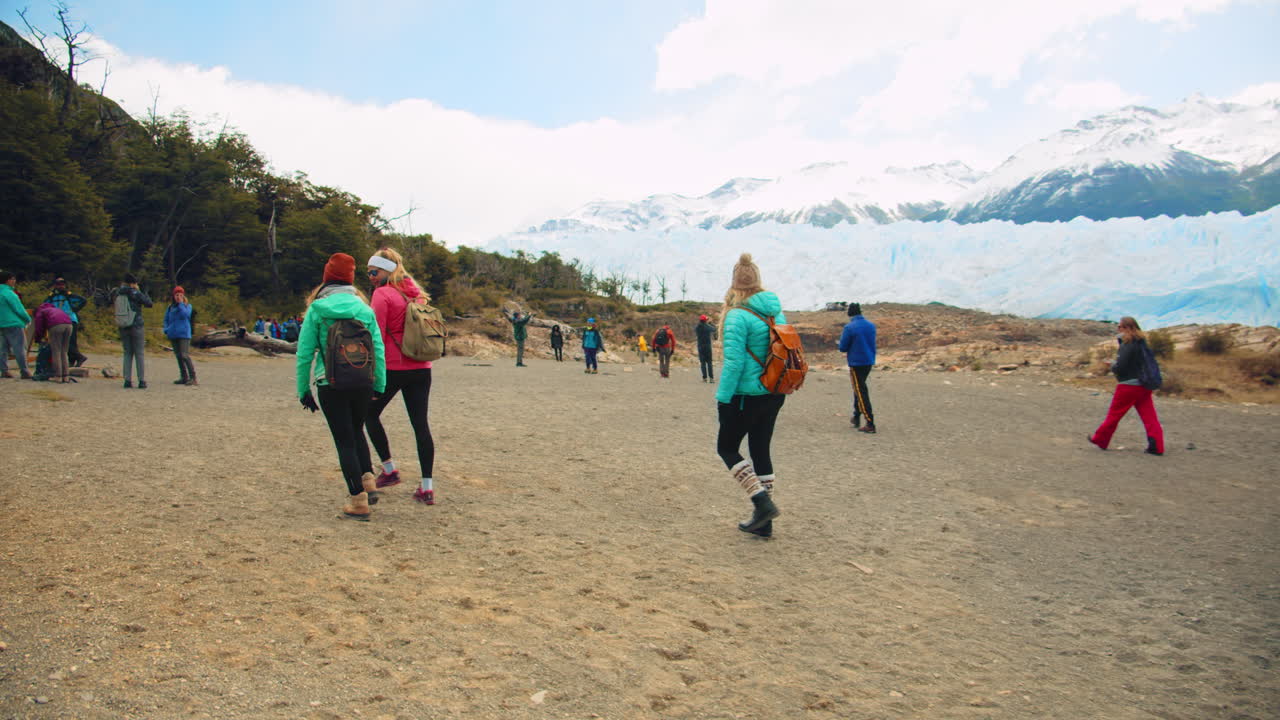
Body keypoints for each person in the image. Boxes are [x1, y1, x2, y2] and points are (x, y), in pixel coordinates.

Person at [296, 253, 387, 520]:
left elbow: (305, 354)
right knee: (357, 431)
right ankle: (368, 482)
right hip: (362, 382)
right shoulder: (365, 309)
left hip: (330, 382)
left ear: (327, 279)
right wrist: (379, 384)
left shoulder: (317, 309)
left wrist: (303, 390)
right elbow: (378, 351)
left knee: (344, 440)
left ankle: (358, 501)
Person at [715, 253, 785, 539]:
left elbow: (734, 363)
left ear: (735, 283)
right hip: (774, 390)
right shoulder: (774, 311)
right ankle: (764, 522)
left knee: (727, 448)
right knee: (760, 450)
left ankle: (762, 503)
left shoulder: (736, 315)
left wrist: (723, 397)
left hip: (746, 395)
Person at [364, 248, 438, 505]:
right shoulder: (418, 296)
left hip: (393, 367)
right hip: (422, 367)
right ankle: (427, 487)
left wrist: (371, 370)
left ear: (387, 270)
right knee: (420, 425)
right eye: (369, 273)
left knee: (369, 414)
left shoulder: (382, 294)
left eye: (375, 271)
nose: (371, 277)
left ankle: (389, 470)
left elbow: (376, 335)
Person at [1089, 316, 1165, 456]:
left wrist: (1112, 365)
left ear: (1126, 328)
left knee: (1114, 415)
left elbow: (1121, 367)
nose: (1118, 329)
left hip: (1128, 386)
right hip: (1144, 386)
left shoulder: (1127, 344)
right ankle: (1157, 446)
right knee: (1150, 417)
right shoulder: (1141, 343)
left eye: (1120, 327)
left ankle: (1100, 439)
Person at [838, 302, 877, 433]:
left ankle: (869, 422)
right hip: (868, 361)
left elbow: (843, 347)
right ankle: (856, 416)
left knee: (860, 391)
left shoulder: (850, 327)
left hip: (856, 362)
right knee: (859, 389)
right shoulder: (871, 326)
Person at [111, 273, 153, 389]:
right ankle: (141, 380)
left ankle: (127, 380)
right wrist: (144, 292)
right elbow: (149, 304)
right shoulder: (135, 293)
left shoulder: (118, 292)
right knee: (139, 353)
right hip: (136, 324)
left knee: (127, 353)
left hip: (123, 325)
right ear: (133, 283)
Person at [45, 278, 88, 367]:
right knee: (64, 343)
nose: (60, 286)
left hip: (70, 320)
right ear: (55, 285)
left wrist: (75, 309)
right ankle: (72, 360)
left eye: (62, 284)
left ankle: (79, 357)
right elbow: (45, 305)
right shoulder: (52, 296)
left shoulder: (69, 295)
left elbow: (83, 300)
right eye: (58, 284)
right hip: (57, 321)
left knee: (71, 341)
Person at [30, 301, 74, 383]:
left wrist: (38, 339)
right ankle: (66, 376)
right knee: (64, 351)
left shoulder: (40, 312)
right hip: (69, 325)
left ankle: (58, 376)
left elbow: (39, 327)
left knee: (56, 351)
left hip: (56, 326)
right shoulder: (53, 308)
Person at [0, 272, 32, 379]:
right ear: (7, 280)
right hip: (13, 323)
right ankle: (24, 371)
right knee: (19, 348)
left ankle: (4, 371)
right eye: (12, 279)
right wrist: (27, 319)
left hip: (1, 324)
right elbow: (19, 309)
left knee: (2, 349)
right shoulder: (9, 293)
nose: (14, 281)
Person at [164, 286, 197, 385]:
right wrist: (166, 329)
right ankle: (184, 376)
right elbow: (166, 319)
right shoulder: (170, 307)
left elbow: (185, 315)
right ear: (173, 296)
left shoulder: (187, 306)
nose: (178, 297)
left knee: (184, 355)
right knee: (178, 356)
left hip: (184, 334)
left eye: (180, 295)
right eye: (177, 295)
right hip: (173, 334)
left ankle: (193, 377)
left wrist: (181, 304)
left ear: (183, 296)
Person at [695, 314, 716, 382]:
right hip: (707, 346)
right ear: (705, 320)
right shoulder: (707, 327)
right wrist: (710, 323)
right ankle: (711, 378)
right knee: (709, 362)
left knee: (703, 363)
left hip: (700, 346)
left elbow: (696, 329)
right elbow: (714, 329)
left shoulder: (697, 327)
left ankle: (704, 378)